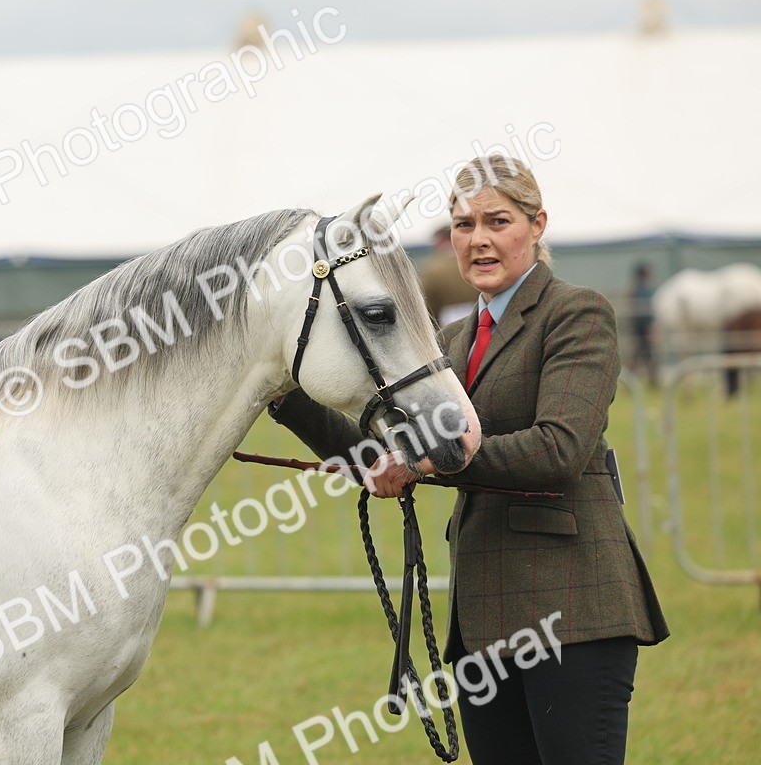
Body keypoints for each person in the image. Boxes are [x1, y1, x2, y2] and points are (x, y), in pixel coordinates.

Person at [269, 155, 668, 765]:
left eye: (496, 221)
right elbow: (388, 455)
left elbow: (557, 449)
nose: (476, 239)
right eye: (462, 224)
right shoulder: (450, 343)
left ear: (537, 225)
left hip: (575, 610)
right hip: (485, 619)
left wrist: (428, 462)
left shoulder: (576, 314)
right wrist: (283, 391)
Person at [420, 222, 479, 327]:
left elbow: (427, 306)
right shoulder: (479, 263)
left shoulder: (432, 270)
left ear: (442, 240)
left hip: (447, 330)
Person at [628, 262, 657, 385]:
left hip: (638, 328)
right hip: (643, 328)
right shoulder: (643, 290)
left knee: (640, 354)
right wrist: (650, 326)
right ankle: (651, 380)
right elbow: (646, 311)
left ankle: (631, 380)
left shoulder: (635, 289)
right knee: (646, 354)